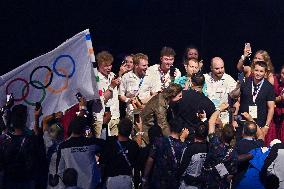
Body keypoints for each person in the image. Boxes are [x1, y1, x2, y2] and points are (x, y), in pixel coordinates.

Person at [55, 115, 104, 189]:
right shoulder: (91, 142)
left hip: (72, 186)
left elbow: (59, 171)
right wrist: (105, 124)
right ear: (84, 129)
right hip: (92, 186)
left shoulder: (63, 146)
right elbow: (105, 144)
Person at [142, 118, 189, 189]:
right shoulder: (184, 146)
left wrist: (145, 178)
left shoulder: (159, 141)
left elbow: (150, 160)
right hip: (173, 183)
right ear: (182, 130)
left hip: (157, 182)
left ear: (170, 127)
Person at [0, 104, 37, 189]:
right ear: (24, 119)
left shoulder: (3, 139)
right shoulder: (31, 140)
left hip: (8, 181)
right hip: (25, 181)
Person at [202, 103, 237, 189]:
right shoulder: (233, 153)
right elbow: (231, 175)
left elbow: (211, 122)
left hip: (207, 182)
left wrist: (219, 109)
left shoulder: (214, 143)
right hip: (221, 185)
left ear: (221, 134)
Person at [236, 61, 275, 140]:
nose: (258, 73)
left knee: (256, 149)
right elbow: (235, 98)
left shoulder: (269, 87)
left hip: (259, 124)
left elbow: (271, 108)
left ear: (265, 73)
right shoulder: (245, 82)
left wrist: (266, 126)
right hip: (243, 123)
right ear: (253, 70)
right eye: (256, 70)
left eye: (261, 71)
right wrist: (235, 119)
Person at [101, 118, 140, 189]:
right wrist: (137, 185)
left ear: (118, 128)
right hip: (126, 181)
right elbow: (137, 168)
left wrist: (105, 124)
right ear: (130, 131)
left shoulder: (110, 142)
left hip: (111, 180)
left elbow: (102, 141)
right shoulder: (133, 145)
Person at [92, 51, 121, 138]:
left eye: (110, 65)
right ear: (99, 65)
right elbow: (101, 100)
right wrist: (111, 87)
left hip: (115, 117)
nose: (109, 68)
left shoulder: (112, 75)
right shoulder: (95, 79)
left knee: (115, 147)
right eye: (106, 66)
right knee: (103, 146)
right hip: (101, 119)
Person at [233, 112, 265, 188]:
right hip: (255, 181)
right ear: (254, 133)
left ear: (243, 131)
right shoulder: (259, 144)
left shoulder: (237, 144)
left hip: (240, 181)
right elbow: (261, 134)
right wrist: (250, 119)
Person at [204, 57, 237, 124]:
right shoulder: (205, 78)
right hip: (208, 117)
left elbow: (235, 95)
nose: (220, 70)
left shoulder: (228, 79)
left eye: (222, 68)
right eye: (217, 68)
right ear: (211, 68)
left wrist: (239, 87)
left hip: (223, 119)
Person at [119, 53, 149, 119]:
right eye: (126, 62)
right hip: (131, 114)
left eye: (131, 62)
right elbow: (120, 95)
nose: (146, 67)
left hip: (147, 114)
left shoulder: (149, 75)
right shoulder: (125, 77)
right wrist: (129, 100)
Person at [179, 122, 208, 189]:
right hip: (200, 183)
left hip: (187, 184)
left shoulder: (190, 148)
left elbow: (182, 167)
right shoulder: (209, 148)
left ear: (195, 133)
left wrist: (182, 139)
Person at [273, 65, 284, 142]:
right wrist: (280, 98)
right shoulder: (274, 80)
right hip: (274, 114)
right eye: (283, 73)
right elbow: (268, 98)